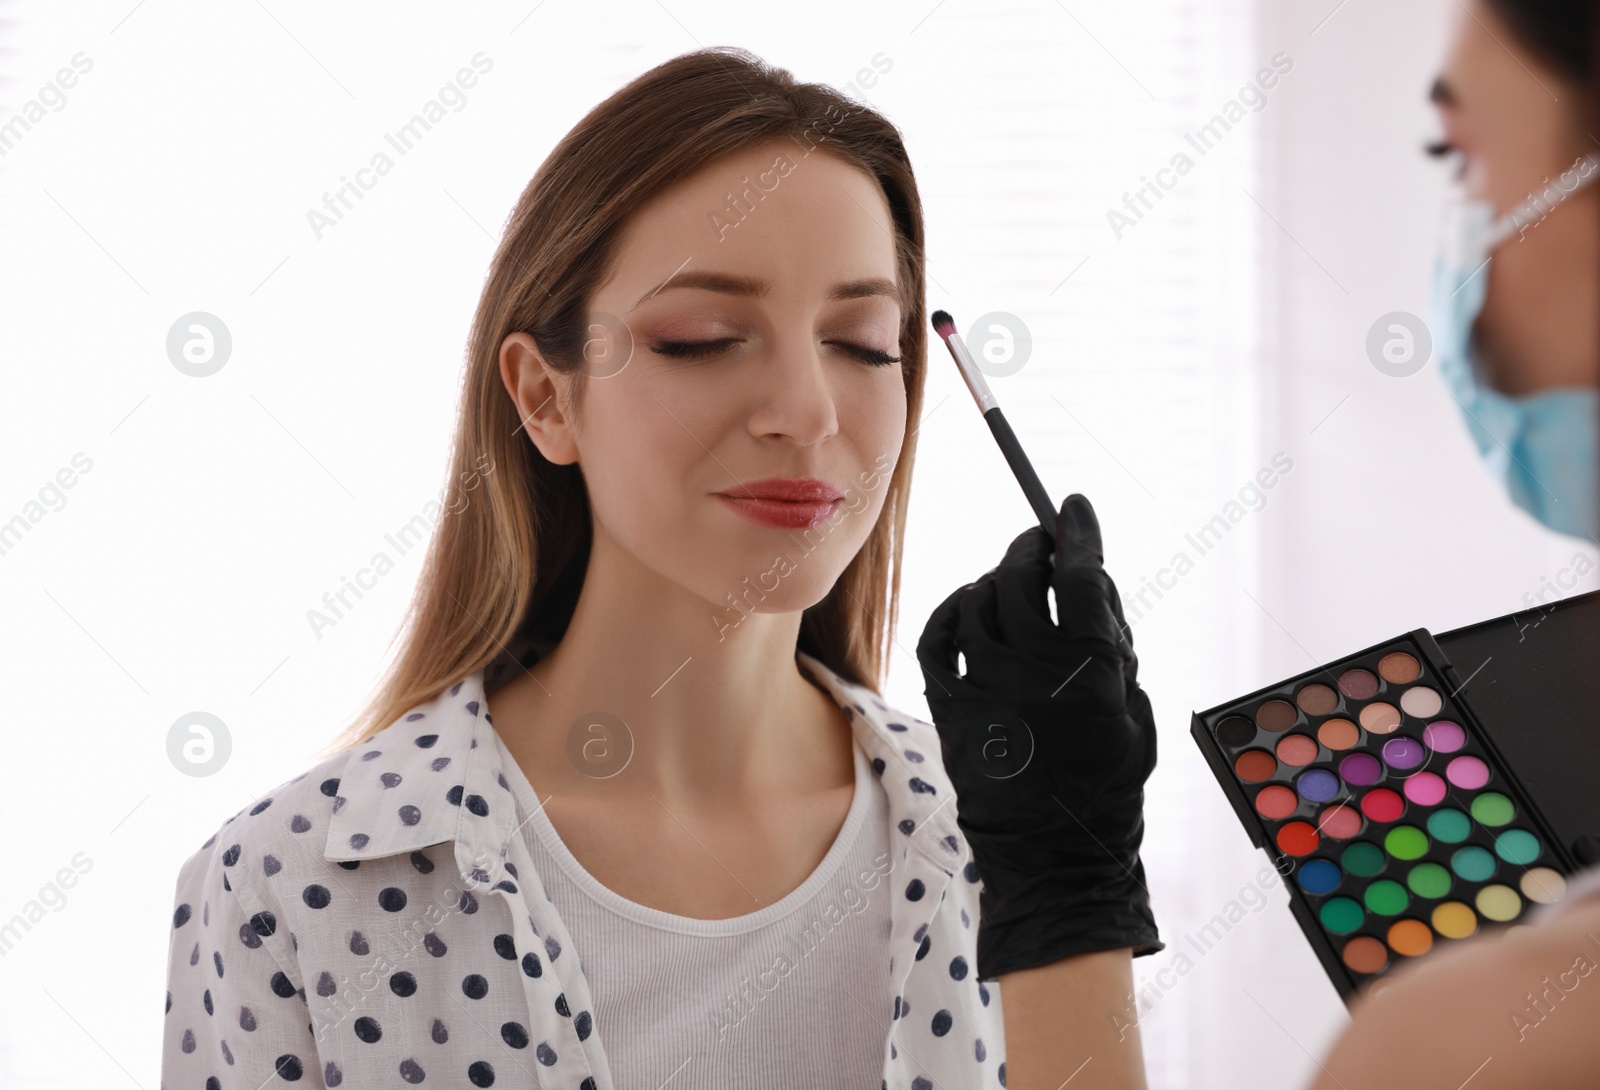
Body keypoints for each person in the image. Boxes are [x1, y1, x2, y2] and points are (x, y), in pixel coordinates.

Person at [159, 46, 1160, 1090]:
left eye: (863, 343)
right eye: (703, 337)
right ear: (545, 397)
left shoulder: (1012, 833)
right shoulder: (287, 884)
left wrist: (1069, 890)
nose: (808, 413)